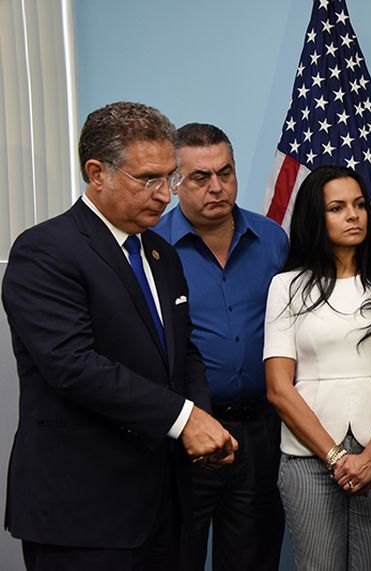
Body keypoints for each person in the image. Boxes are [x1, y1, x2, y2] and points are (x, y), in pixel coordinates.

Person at [1, 101, 237, 570]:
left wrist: (203, 425)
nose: (164, 196)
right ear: (97, 173)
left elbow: (182, 353)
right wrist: (184, 420)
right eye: (147, 179)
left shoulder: (160, 253)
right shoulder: (45, 251)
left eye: (168, 178)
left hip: (164, 503)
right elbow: (73, 366)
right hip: (83, 511)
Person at [263, 165, 371, 570]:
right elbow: (279, 388)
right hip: (309, 456)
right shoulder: (287, 286)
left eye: (359, 205)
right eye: (337, 208)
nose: (353, 215)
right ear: (316, 218)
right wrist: (335, 457)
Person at [154, 123, 288, 571]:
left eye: (225, 173)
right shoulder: (152, 247)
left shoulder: (272, 239)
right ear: (174, 182)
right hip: (184, 432)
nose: (217, 187)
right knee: (177, 555)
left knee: (253, 558)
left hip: (260, 430)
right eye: (200, 177)